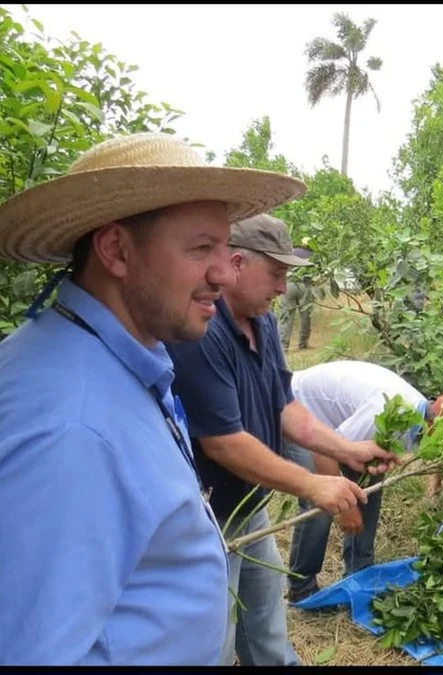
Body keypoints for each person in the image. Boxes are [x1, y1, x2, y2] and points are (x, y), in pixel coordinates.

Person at [0, 132, 306, 664]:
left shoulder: (112, 361)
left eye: (224, 247)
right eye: (200, 248)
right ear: (116, 250)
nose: (222, 272)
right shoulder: (71, 428)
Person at [165, 214, 398, 666]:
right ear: (235, 263)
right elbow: (223, 442)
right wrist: (312, 484)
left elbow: (284, 407)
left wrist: (347, 450)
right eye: (276, 273)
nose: (282, 287)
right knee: (217, 637)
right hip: (212, 517)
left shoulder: (264, 323)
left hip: (250, 505)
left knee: (266, 616)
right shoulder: (203, 332)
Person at [284, 360, 443, 603]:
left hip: (340, 426)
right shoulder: (386, 414)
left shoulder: (426, 420)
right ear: (437, 424)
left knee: (368, 486)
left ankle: (359, 573)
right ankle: (301, 587)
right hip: (295, 408)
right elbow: (324, 453)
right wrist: (347, 509)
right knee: (320, 502)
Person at [277, 246, 314, 350]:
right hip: (305, 286)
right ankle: (303, 343)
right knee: (306, 316)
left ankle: (283, 345)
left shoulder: (290, 252)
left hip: (289, 284)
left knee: (286, 315)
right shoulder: (311, 254)